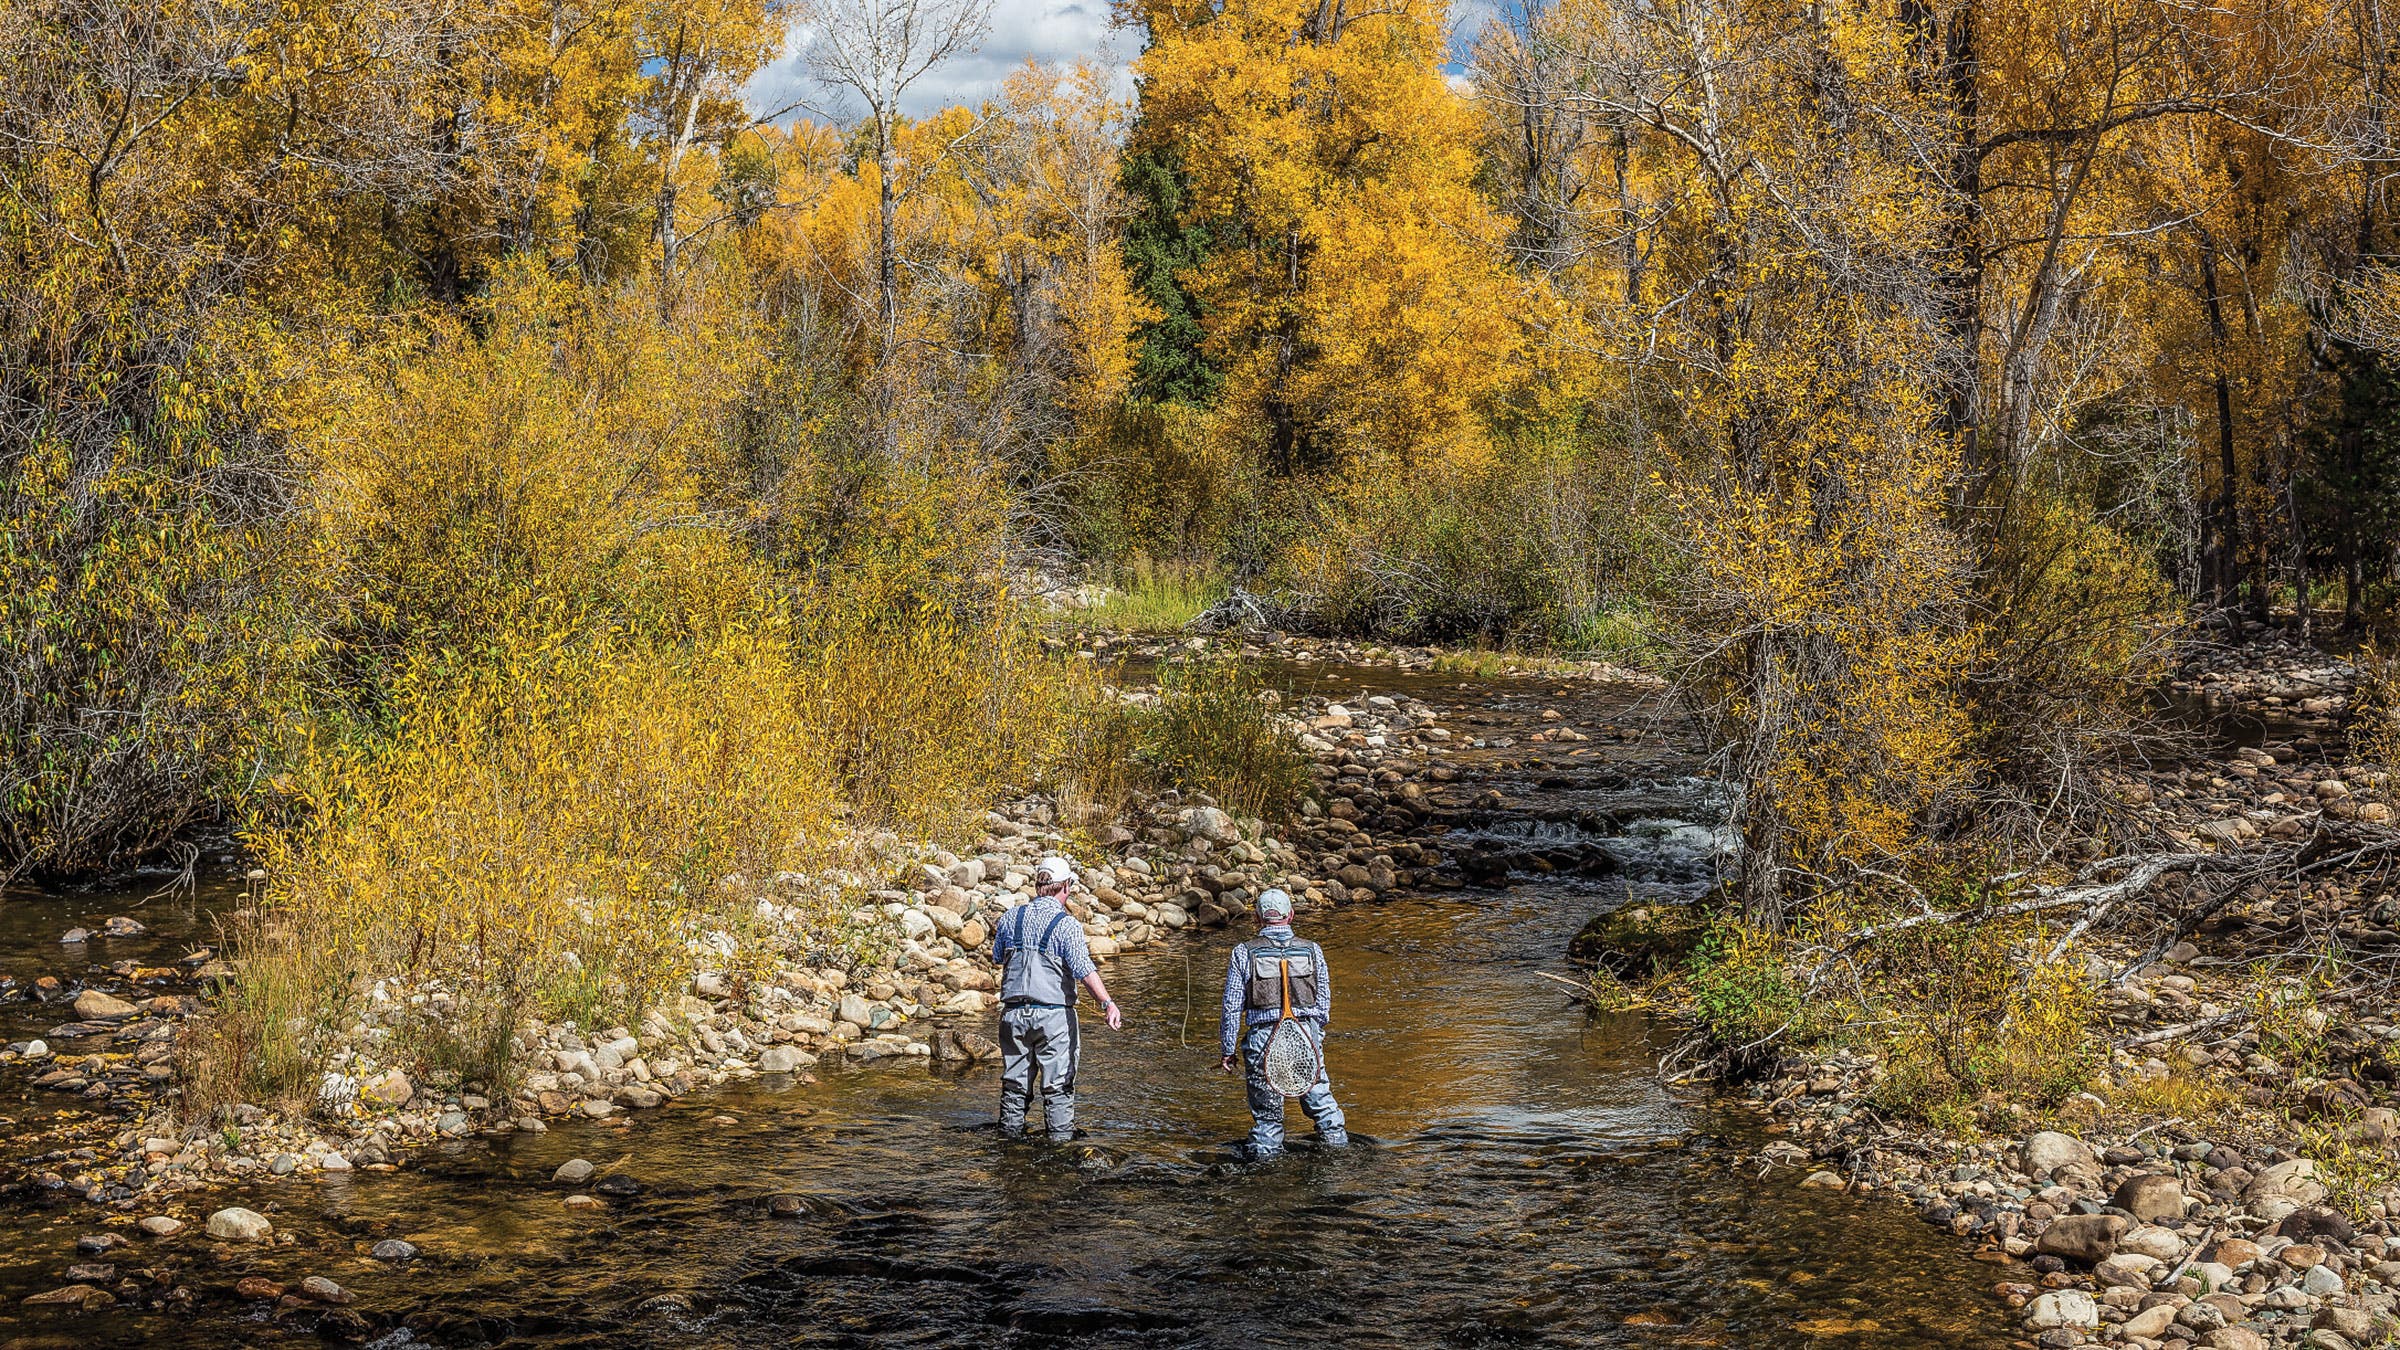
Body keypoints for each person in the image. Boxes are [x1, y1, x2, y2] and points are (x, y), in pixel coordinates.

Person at [991, 855, 1122, 1141]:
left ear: (1039, 884)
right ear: (1066, 887)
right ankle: (1060, 1152)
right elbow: (1083, 970)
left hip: (1012, 1016)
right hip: (1053, 1018)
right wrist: (1107, 1003)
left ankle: (1008, 1147)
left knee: (1014, 1085)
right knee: (1058, 1087)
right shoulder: (1067, 925)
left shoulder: (1010, 918)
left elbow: (998, 957)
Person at [1219, 889, 1348, 1159]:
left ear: (1257, 918)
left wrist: (1228, 1050)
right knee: (1323, 1106)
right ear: (1291, 915)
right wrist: (1316, 1033)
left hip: (1262, 1039)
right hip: (1306, 1033)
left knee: (1268, 1118)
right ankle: (1340, 1158)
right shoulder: (1313, 949)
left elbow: (1231, 1006)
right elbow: (1323, 1000)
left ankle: (1265, 1175)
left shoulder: (1243, 952)